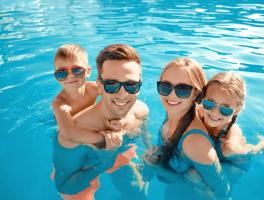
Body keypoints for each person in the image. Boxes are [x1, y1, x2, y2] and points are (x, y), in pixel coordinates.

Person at [51, 44, 135, 200]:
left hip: (90, 132)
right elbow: (68, 132)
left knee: (124, 158)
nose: (70, 76)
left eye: (77, 70)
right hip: (72, 138)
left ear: (88, 71)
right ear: (56, 76)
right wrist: (103, 139)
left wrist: (122, 121)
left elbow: (119, 97)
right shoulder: (60, 104)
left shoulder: (93, 88)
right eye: (62, 73)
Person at [71, 44, 150, 199]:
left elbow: (144, 133)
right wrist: (108, 155)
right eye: (112, 84)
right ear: (99, 86)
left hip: (119, 154)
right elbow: (69, 175)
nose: (122, 94)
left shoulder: (141, 110)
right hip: (84, 168)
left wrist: (148, 153)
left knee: (138, 193)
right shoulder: (78, 128)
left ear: (140, 85)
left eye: (131, 85)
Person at [144, 58, 230, 199]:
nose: (171, 95)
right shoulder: (174, 110)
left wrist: (159, 167)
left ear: (196, 94)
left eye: (182, 89)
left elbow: (222, 188)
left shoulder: (194, 142)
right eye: (165, 86)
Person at [198, 72, 264, 172]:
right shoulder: (198, 111)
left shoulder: (231, 145)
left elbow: (248, 151)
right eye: (209, 102)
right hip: (210, 155)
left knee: (194, 176)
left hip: (234, 164)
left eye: (225, 108)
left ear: (237, 110)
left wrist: (260, 145)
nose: (214, 112)